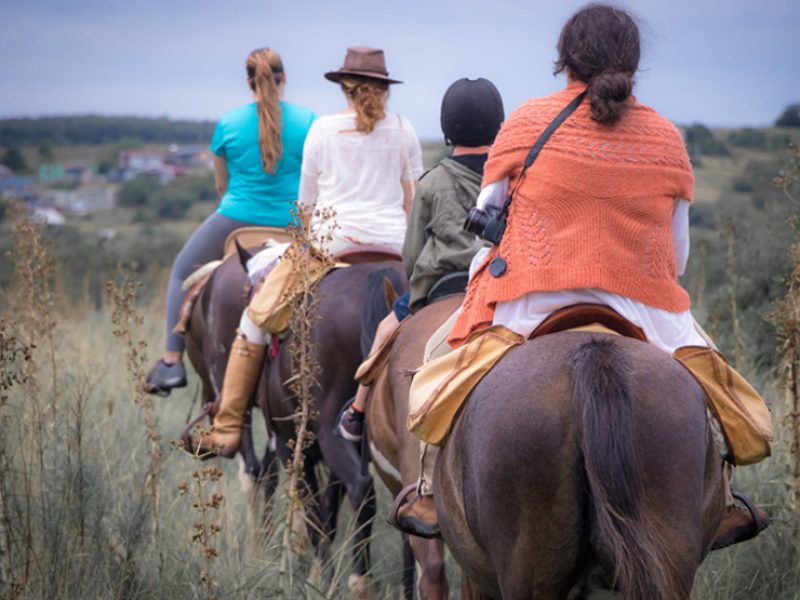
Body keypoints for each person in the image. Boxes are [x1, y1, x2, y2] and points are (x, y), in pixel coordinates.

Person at [395, 4, 771, 549]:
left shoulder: (525, 122)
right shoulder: (666, 139)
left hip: (530, 301)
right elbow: (679, 257)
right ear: (633, 63)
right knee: (712, 393)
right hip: (642, 305)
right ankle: (722, 501)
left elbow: (486, 223)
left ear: (565, 59)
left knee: (436, 360)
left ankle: (430, 485)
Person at [186, 47, 423, 457]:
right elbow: (413, 202)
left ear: (344, 88)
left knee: (256, 316)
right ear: (384, 89)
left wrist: (307, 243)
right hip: (394, 246)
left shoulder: (324, 130)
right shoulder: (404, 129)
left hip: (333, 246)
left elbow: (306, 206)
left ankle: (226, 428)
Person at [335, 77, 505, 442]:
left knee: (384, 332)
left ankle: (357, 412)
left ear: (447, 128)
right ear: (498, 126)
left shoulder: (432, 182)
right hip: (495, 289)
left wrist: (415, 292)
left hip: (441, 290)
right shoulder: (507, 181)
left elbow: (411, 253)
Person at [145, 48, 316, 395]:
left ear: (249, 82)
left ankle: (171, 363)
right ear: (284, 79)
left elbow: (221, 186)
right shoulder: (309, 120)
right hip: (296, 224)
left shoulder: (228, 123)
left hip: (236, 217)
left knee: (180, 270)